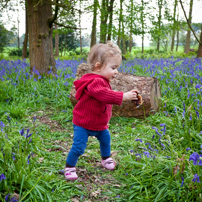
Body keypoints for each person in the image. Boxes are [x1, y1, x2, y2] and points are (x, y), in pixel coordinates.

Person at [65, 42, 139, 180]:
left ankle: (106, 158)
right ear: (98, 66)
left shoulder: (101, 80)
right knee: (79, 147)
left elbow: (105, 93)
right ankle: (69, 167)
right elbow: (104, 95)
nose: (116, 71)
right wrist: (124, 96)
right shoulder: (95, 81)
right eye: (113, 67)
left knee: (105, 139)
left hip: (98, 123)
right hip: (83, 123)